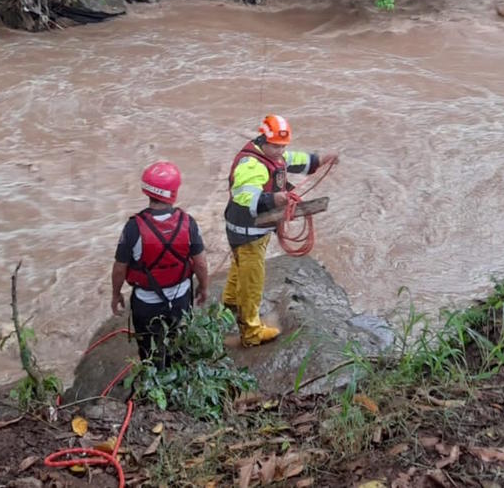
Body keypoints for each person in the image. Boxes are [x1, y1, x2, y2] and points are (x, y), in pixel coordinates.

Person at [222, 114, 338, 347]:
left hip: (254, 230)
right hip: (247, 230)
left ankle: (231, 300)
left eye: (282, 146)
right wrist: (275, 198)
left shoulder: (274, 154)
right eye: (276, 146)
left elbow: (294, 159)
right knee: (253, 277)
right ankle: (251, 332)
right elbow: (245, 198)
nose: (280, 150)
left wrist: (319, 160)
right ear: (264, 139)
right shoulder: (251, 165)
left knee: (239, 265)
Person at [110, 161, 210, 368]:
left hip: (146, 304)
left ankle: (155, 384)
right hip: (180, 299)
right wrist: (204, 287)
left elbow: (120, 268)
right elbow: (200, 263)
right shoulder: (188, 223)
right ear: (173, 192)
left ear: (146, 190)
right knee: (179, 344)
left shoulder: (133, 228)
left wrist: (116, 294)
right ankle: (177, 378)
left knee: (149, 351)